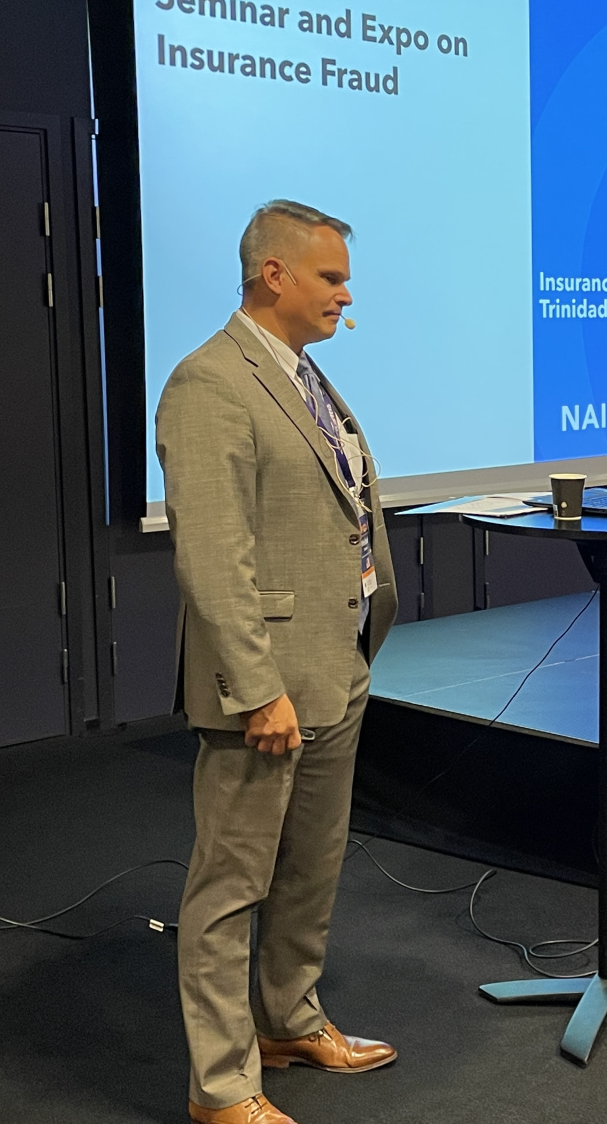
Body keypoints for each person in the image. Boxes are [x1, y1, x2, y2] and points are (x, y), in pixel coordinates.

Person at [157, 199, 399, 1124]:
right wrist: (257, 691)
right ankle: (222, 1090)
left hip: (336, 665)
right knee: (230, 888)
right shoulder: (209, 382)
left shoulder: (305, 377)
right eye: (331, 277)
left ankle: (287, 1021)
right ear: (275, 275)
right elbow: (214, 558)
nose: (347, 294)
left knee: (311, 867)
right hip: (265, 687)